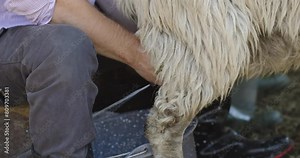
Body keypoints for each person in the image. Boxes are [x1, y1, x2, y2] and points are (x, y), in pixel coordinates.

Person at [0, 0, 293, 157]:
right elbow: (55, 7)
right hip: (18, 41)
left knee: (192, 25)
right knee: (65, 46)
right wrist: (140, 55)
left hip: (84, 20)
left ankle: (211, 135)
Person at [0, 0, 156, 157]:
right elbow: (59, 8)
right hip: (11, 37)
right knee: (63, 49)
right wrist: (144, 59)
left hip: (73, 22)